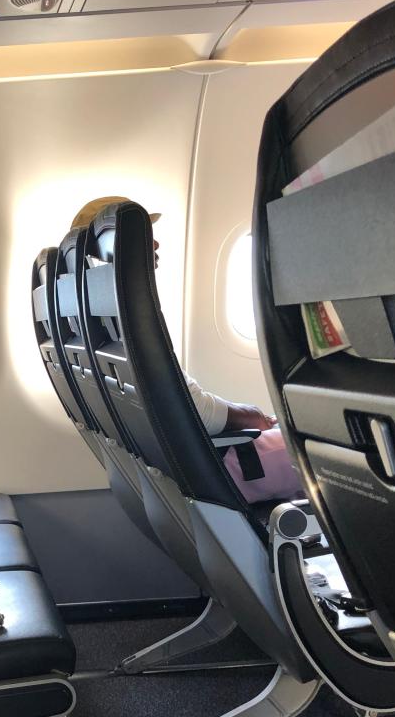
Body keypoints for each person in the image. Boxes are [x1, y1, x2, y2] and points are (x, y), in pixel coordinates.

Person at [71, 197, 302, 504]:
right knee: (326, 451)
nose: (154, 244)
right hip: (220, 465)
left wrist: (252, 415)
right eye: (142, 237)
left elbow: (180, 400)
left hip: (198, 455)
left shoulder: (101, 318)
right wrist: (251, 417)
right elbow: (198, 414)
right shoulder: (128, 313)